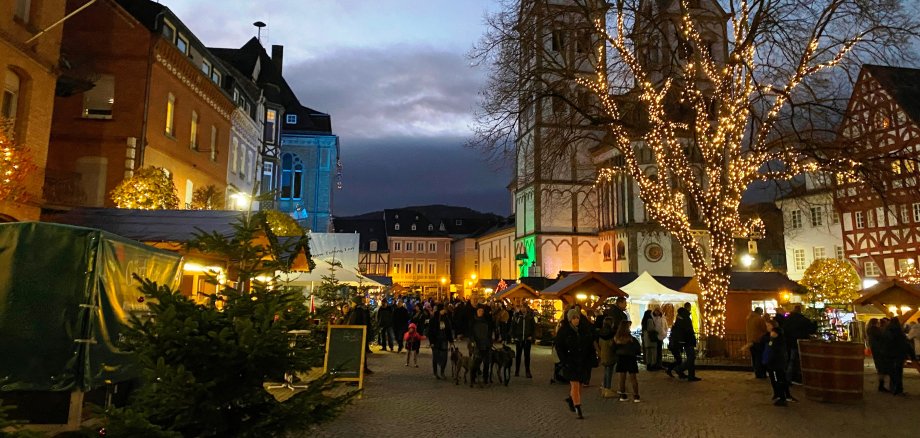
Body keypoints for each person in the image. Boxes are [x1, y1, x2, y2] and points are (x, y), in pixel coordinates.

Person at [555, 309, 594, 419]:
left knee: (579, 385)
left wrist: (591, 357)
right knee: (575, 384)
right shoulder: (564, 331)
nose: (576, 320)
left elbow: (589, 344)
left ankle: (572, 399)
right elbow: (559, 347)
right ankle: (578, 407)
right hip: (570, 361)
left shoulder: (583, 330)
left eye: (577, 318)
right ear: (569, 319)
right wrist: (564, 360)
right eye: (574, 318)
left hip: (582, 361)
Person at [880, 317, 916, 396]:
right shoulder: (899, 332)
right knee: (898, 373)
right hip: (899, 355)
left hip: (888, 355)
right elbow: (905, 344)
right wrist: (912, 356)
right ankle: (898, 390)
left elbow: (883, 344)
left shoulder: (886, 331)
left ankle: (892, 388)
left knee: (892, 372)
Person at [762, 318, 794, 406]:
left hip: (776, 361)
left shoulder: (776, 336)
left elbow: (774, 348)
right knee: (778, 379)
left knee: (778, 379)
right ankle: (782, 395)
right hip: (776, 361)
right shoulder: (772, 336)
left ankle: (782, 397)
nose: (767, 327)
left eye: (768, 326)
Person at [782, 305, 817, 384]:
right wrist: (815, 323)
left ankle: (788, 378)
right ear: (800, 311)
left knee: (790, 360)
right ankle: (794, 377)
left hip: (789, 342)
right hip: (800, 343)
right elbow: (812, 330)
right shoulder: (803, 320)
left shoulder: (787, 319)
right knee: (798, 361)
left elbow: (784, 329)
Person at [667, 305, 700, 381]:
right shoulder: (685, 317)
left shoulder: (679, 317)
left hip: (685, 341)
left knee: (691, 358)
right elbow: (688, 330)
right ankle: (680, 369)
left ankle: (691, 376)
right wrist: (691, 338)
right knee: (691, 358)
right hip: (688, 341)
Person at [614, 320, 642, 402]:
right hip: (631, 358)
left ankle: (623, 395)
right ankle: (636, 396)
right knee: (633, 378)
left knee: (622, 378)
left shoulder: (616, 338)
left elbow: (613, 348)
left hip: (621, 358)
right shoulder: (631, 339)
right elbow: (638, 349)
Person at [346, 296, 373, 374]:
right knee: (362, 352)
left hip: (357, 335)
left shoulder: (357, 312)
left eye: (352, 302)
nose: (351, 304)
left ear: (355, 303)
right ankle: (364, 368)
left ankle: (356, 373)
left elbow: (353, 324)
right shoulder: (363, 310)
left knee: (357, 353)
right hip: (362, 334)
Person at [427, 304, 454, 379]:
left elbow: (449, 330)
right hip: (435, 341)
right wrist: (431, 342)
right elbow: (430, 331)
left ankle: (442, 371)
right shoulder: (433, 319)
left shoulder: (446, 318)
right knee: (435, 357)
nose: (444, 311)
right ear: (439, 310)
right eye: (443, 309)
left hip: (444, 340)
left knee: (444, 357)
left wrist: (451, 340)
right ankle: (435, 373)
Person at [469, 307, 493, 386]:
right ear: (476, 312)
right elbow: (471, 333)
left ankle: (485, 379)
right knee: (476, 363)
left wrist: (490, 342)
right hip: (477, 345)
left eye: (482, 311)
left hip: (486, 344)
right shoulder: (473, 321)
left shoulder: (487, 321)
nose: (480, 312)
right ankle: (473, 378)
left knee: (486, 363)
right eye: (479, 311)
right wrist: (473, 341)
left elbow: (489, 333)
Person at [511, 303, 536, 378]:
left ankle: (527, 371)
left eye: (524, 307)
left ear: (527, 308)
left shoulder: (530, 317)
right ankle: (517, 370)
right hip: (519, 339)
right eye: (522, 307)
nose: (523, 309)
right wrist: (514, 336)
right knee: (518, 355)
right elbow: (513, 327)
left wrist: (532, 336)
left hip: (527, 339)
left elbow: (533, 328)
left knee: (527, 356)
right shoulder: (517, 316)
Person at [866, 318, 888, 392]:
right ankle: (881, 386)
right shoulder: (875, 330)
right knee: (881, 367)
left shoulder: (870, 330)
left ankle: (881, 385)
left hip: (875, 349)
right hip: (879, 350)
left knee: (880, 367)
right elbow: (882, 337)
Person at [746, 307, 769, 379]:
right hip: (758, 340)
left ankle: (756, 372)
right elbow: (764, 329)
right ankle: (761, 374)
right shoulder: (759, 319)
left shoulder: (748, 318)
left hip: (750, 340)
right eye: (761, 312)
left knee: (754, 357)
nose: (762, 314)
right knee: (759, 358)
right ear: (759, 312)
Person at [598, 317, 618, 398]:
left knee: (606, 371)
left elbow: (599, 343)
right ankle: (607, 389)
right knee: (609, 372)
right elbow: (612, 345)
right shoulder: (611, 334)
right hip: (610, 355)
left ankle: (605, 389)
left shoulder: (601, 333)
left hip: (603, 354)